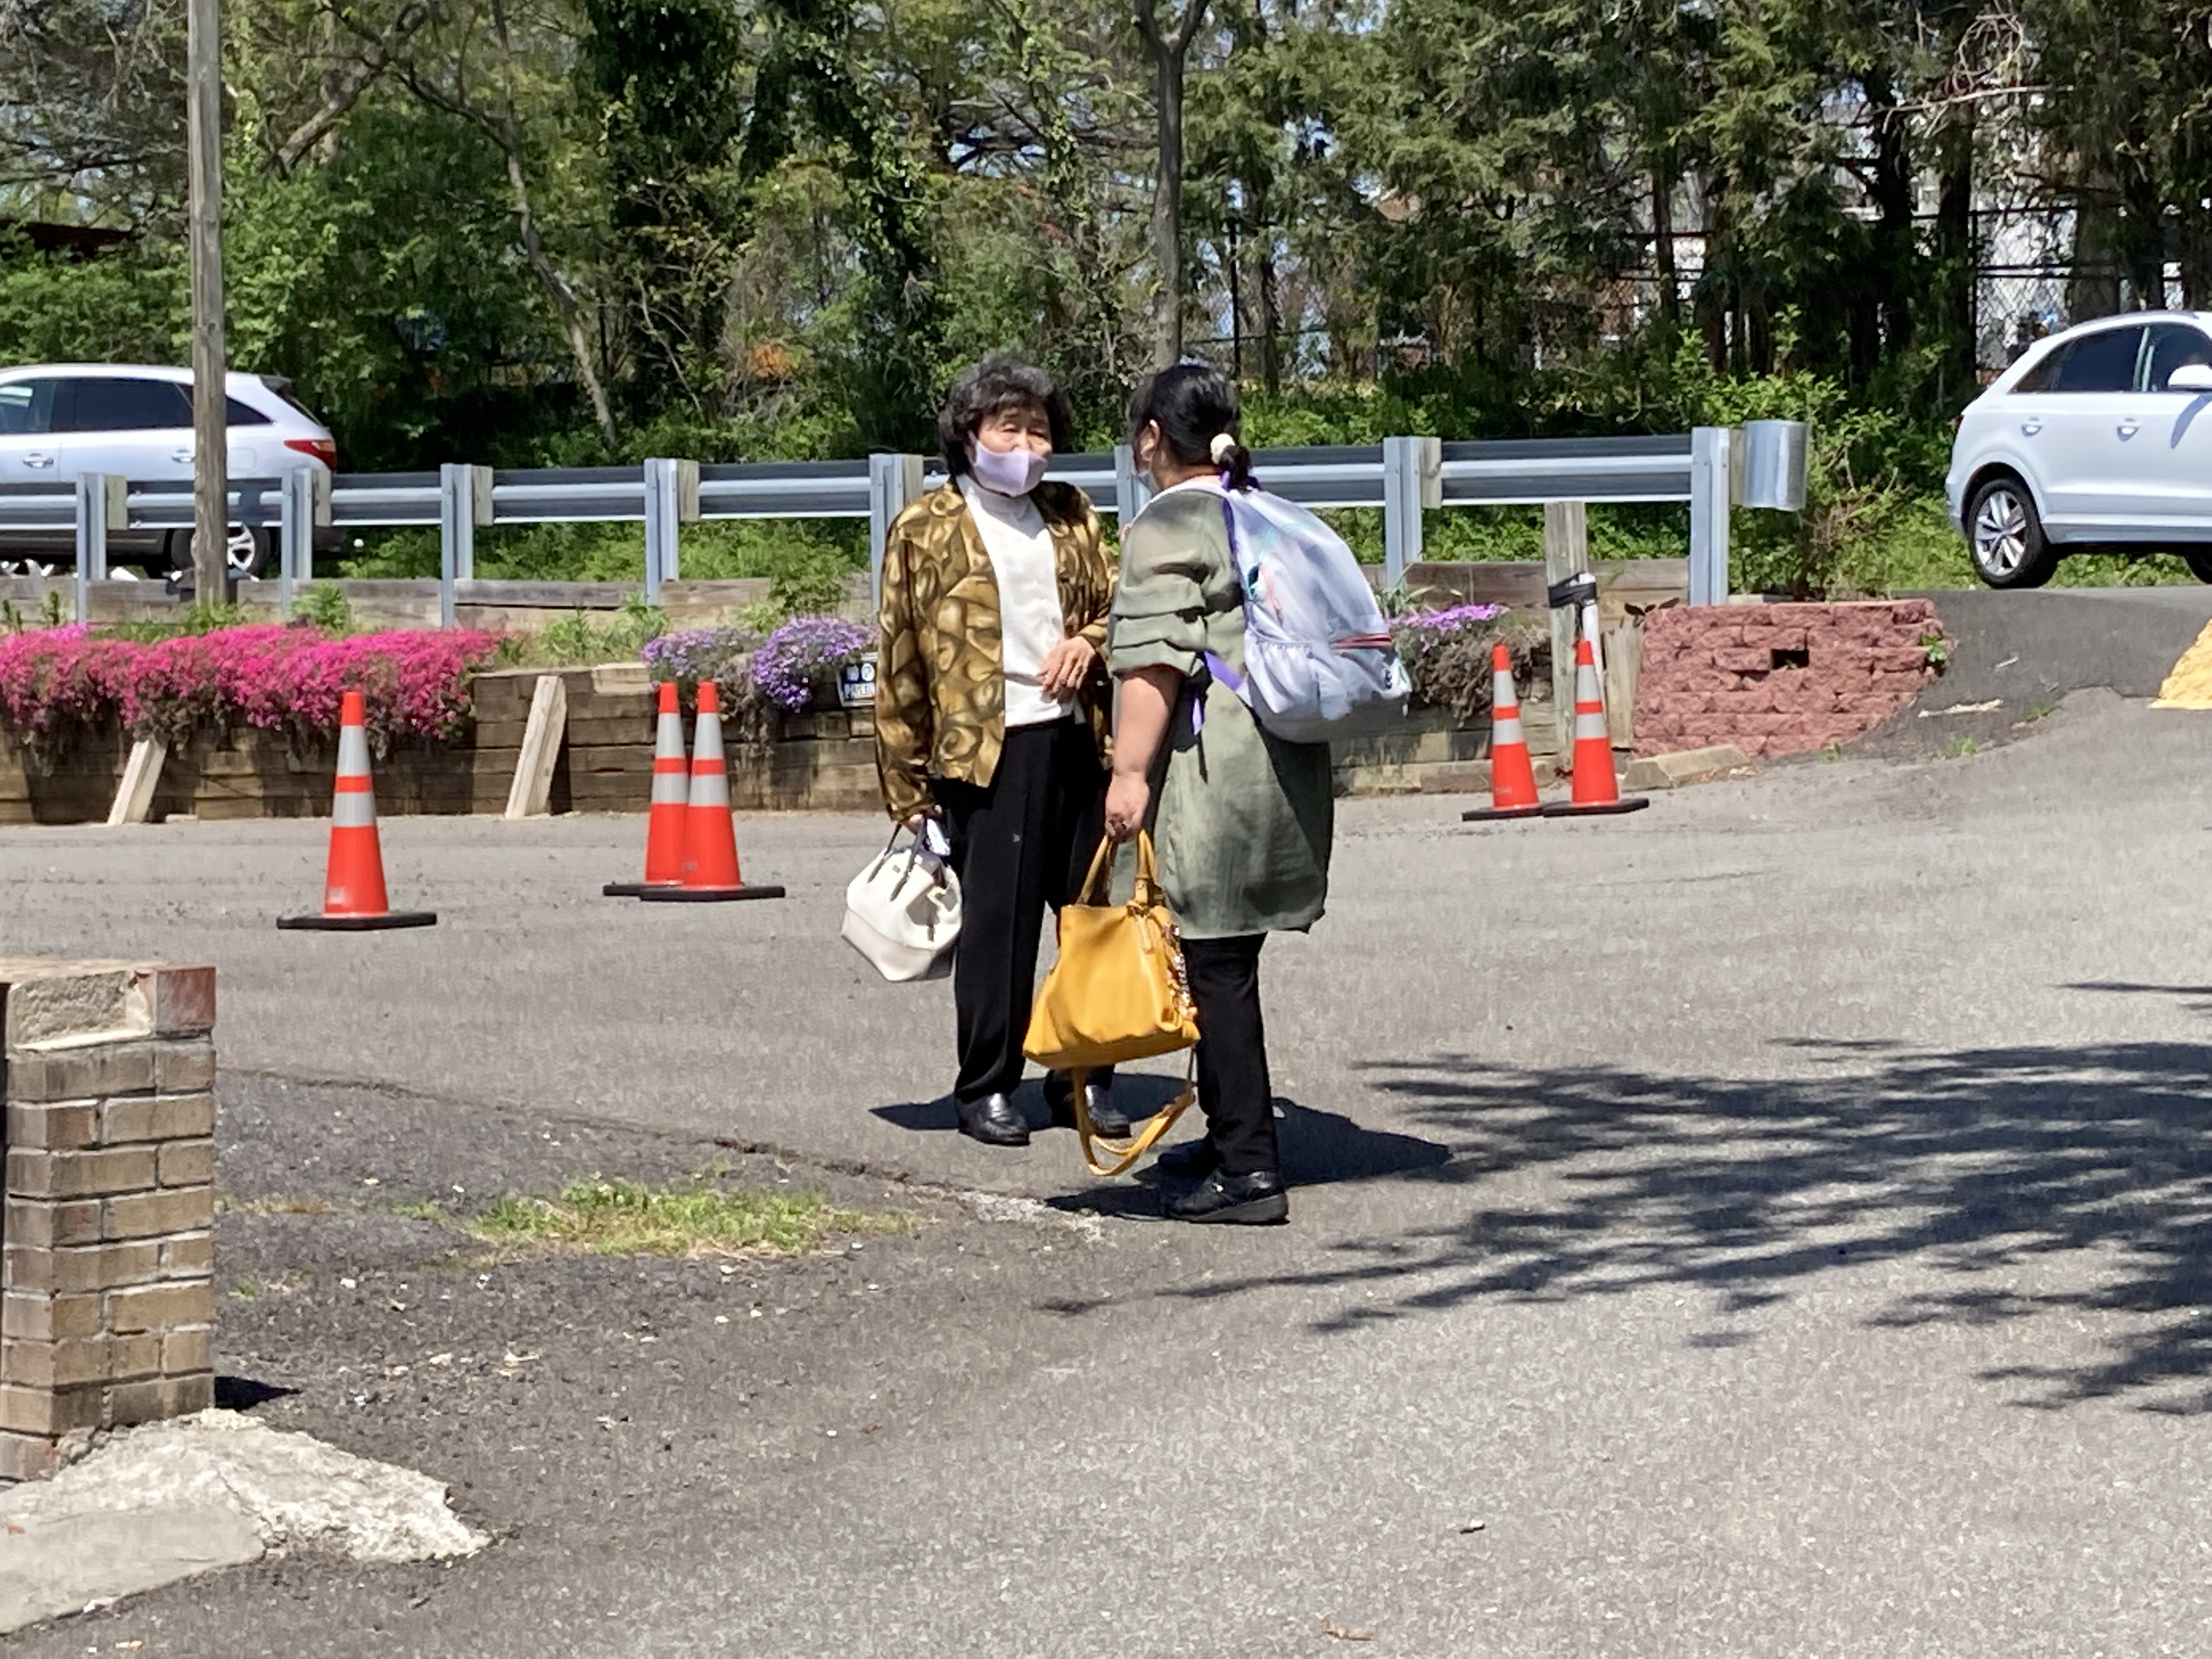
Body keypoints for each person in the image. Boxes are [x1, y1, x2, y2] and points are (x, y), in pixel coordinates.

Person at [875, 356, 1128, 1147]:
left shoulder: (1071, 512)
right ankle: (986, 1084)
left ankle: (1084, 1075)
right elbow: (899, 658)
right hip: (986, 749)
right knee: (1001, 929)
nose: (1026, 446)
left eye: (1039, 431)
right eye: (1009, 429)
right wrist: (908, 788)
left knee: (1093, 918)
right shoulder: (925, 527)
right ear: (969, 435)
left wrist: (1090, 642)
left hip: (1078, 738)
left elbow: (1121, 604)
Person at [1104, 363, 1333, 1226]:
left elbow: (1152, 662)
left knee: (1217, 964)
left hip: (1217, 770)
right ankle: (1228, 1129)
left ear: (1151, 439)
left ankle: (1248, 1169)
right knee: (1229, 959)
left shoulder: (1171, 523)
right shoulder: (1260, 510)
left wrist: (1128, 775)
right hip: (1285, 762)